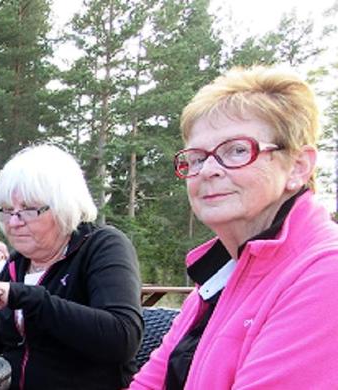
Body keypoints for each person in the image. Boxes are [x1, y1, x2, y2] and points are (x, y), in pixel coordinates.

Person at [130, 67, 338, 389]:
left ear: (298, 167)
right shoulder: (222, 273)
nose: (208, 170)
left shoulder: (325, 275)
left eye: (237, 150)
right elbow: (149, 384)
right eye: (197, 158)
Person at [0, 144, 142, 389]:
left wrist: (26, 297)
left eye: (28, 210)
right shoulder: (17, 264)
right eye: (8, 211)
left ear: (64, 205)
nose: (14, 222)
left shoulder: (101, 246)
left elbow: (121, 338)